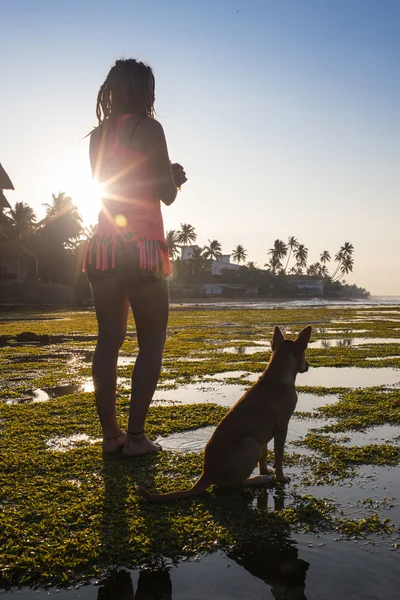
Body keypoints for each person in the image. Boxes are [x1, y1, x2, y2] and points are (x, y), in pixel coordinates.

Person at [83, 58, 187, 455]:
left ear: (111, 90)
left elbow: (106, 184)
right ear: (145, 91)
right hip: (142, 248)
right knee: (152, 343)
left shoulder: (97, 136)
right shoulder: (149, 127)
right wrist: (174, 177)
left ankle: (111, 438)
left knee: (108, 341)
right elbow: (165, 192)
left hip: (104, 246)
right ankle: (137, 438)